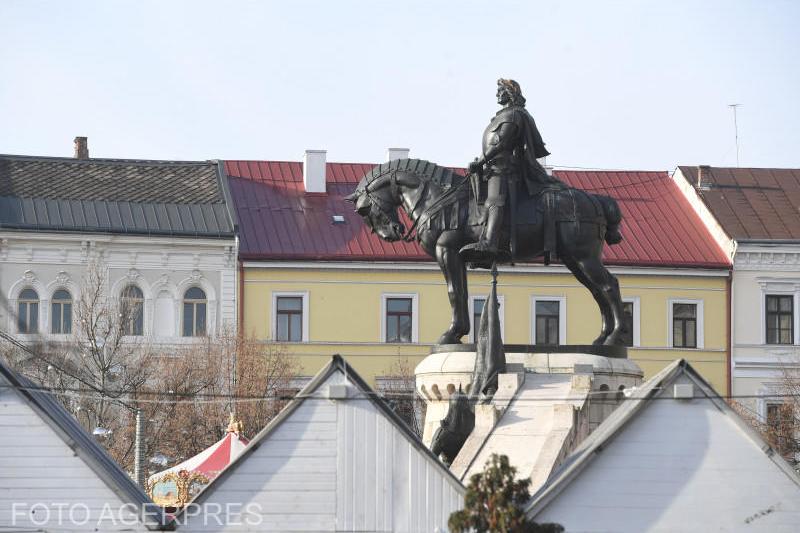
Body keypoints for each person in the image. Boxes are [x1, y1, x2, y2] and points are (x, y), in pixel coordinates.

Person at [460, 79, 563, 259]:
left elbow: (503, 143)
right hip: (492, 168)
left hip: (504, 169)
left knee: (495, 200)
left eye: (500, 90)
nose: (497, 94)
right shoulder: (503, 116)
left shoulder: (513, 115)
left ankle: (490, 243)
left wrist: (481, 161)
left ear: (510, 92)